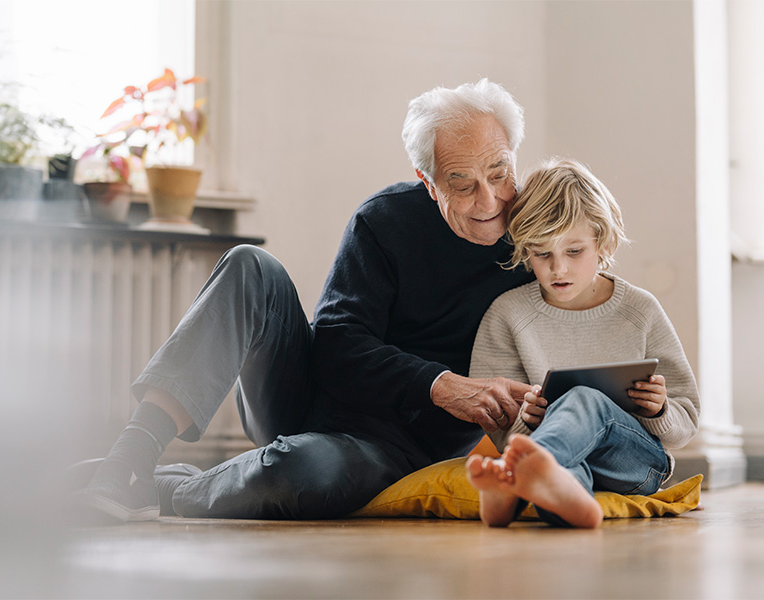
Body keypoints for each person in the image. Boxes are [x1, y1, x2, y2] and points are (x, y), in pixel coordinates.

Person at [74, 79, 537, 522]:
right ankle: (126, 461)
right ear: (427, 179)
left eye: (500, 173)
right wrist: (439, 384)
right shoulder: (386, 220)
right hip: (302, 397)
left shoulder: (537, 243)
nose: (489, 199)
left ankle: (164, 488)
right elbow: (337, 344)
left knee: (305, 472)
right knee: (249, 264)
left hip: (396, 450)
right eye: (461, 183)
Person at [465, 158, 700, 529]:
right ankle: (560, 495)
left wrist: (658, 411)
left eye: (574, 252)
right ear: (525, 250)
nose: (558, 269)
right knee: (558, 469)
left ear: (602, 243)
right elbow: (497, 425)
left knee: (584, 399)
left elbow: (687, 421)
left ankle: (513, 484)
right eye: (542, 253)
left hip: (635, 463)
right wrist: (527, 421)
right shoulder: (507, 314)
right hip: (565, 461)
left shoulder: (639, 310)